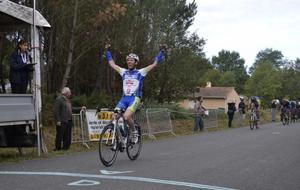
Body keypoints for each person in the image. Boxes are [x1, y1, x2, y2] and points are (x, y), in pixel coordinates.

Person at [104, 44, 165, 146]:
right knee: (114, 117)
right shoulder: (123, 72)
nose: (129, 62)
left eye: (131, 60)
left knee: (127, 117)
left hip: (134, 99)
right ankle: (120, 138)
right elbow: (112, 64)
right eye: (128, 60)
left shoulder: (141, 72)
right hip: (124, 99)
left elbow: (154, 64)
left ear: (136, 62)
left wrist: (161, 52)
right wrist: (107, 51)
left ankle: (134, 132)